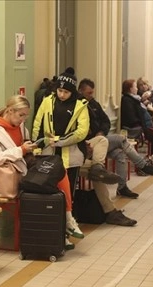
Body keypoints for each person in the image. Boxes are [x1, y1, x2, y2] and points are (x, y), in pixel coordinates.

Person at [0, 95, 85, 249]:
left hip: (24, 170)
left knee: (59, 171)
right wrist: (21, 150)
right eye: (21, 115)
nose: (23, 119)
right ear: (10, 110)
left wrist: (31, 146)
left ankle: (65, 224)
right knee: (49, 189)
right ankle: (62, 230)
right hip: (7, 178)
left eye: (26, 116)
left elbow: (23, 147)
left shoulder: (19, 126)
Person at [78, 78, 153, 203]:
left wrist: (102, 131)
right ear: (80, 91)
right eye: (89, 93)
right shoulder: (78, 106)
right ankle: (142, 165)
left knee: (120, 154)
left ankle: (122, 187)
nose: (91, 96)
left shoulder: (93, 104)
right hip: (89, 143)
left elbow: (106, 121)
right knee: (121, 139)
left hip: (101, 138)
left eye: (92, 93)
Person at [32, 67, 89, 199]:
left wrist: (59, 140)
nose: (62, 94)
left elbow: (82, 131)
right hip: (48, 151)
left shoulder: (80, 105)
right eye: (60, 90)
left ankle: (68, 216)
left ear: (72, 92)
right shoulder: (47, 101)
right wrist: (37, 147)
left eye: (66, 92)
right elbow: (37, 124)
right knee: (48, 188)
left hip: (71, 154)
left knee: (68, 191)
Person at [120, 79, 153, 171]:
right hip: (137, 128)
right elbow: (132, 118)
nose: (136, 89)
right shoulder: (127, 100)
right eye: (135, 86)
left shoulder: (136, 98)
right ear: (130, 89)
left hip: (147, 125)